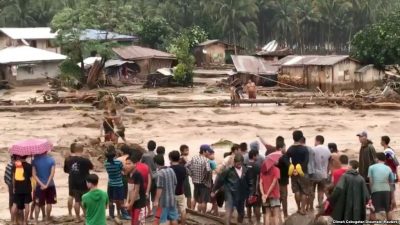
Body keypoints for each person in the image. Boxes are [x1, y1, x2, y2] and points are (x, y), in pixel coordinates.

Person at [212, 154, 250, 225]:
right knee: (229, 210)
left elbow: (249, 182)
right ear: (234, 162)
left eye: (240, 164)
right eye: (237, 164)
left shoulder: (245, 170)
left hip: (241, 194)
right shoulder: (228, 170)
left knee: (241, 213)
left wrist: (250, 193)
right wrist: (214, 190)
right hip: (229, 193)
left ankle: (239, 223)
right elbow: (219, 180)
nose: (239, 166)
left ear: (242, 162)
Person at [64, 142, 94, 223]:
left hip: (73, 182)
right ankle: (86, 216)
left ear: (73, 150)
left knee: (77, 200)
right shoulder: (85, 160)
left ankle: (77, 218)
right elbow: (92, 167)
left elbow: (66, 170)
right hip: (84, 182)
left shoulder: (68, 159)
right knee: (85, 200)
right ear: (82, 150)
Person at [104, 145, 130, 220]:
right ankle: (124, 214)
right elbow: (124, 170)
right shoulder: (118, 162)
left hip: (110, 184)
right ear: (114, 154)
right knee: (121, 200)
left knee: (111, 200)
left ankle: (111, 215)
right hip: (119, 183)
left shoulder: (106, 163)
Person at [286, 130, 309, 215]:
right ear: (301, 138)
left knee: (296, 191)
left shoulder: (290, 149)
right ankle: (303, 209)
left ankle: (298, 208)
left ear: (293, 138)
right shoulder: (304, 149)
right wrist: (301, 168)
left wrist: (291, 166)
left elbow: (285, 158)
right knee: (304, 191)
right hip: (303, 172)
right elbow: (306, 161)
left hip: (293, 172)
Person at [368, 152, 394, 221]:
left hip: (376, 190)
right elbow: (391, 182)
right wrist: (392, 196)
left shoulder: (371, 167)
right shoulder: (388, 168)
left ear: (376, 159)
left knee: (373, 210)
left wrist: (371, 192)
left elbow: (371, 182)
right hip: (387, 190)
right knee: (388, 209)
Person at [32, 151, 57, 225]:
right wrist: (46, 184)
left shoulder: (34, 161)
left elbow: (34, 175)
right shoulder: (51, 160)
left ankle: (36, 220)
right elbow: (52, 174)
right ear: (46, 151)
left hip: (39, 186)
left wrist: (42, 184)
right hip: (50, 185)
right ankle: (47, 219)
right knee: (49, 202)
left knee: (37, 204)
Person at [186, 145, 212, 214]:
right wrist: (206, 179)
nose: (209, 152)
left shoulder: (194, 158)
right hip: (204, 183)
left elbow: (186, 166)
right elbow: (209, 171)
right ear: (203, 151)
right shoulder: (206, 160)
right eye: (208, 151)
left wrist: (191, 174)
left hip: (195, 182)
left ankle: (192, 212)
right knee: (204, 201)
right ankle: (203, 215)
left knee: (195, 198)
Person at [153, 155, 178, 225]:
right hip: (172, 199)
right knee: (173, 218)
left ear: (155, 163)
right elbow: (175, 183)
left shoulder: (159, 173)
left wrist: (156, 200)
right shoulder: (171, 170)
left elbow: (159, 188)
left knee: (163, 220)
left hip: (163, 201)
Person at [309, 135, 331, 209]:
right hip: (323, 174)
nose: (314, 142)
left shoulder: (313, 149)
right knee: (321, 191)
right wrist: (327, 172)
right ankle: (321, 205)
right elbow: (329, 162)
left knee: (312, 191)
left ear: (318, 141)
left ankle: (311, 207)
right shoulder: (328, 150)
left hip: (314, 174)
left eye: (315, 141)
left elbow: (310, 162)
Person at [260, 153, 282, 225]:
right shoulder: (276, 170)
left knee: (267, 214)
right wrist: (267, 194)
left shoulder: (263, 171)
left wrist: (264, 194)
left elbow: (260, 183)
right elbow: (273, 183)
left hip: (265, 196)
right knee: (276, 215)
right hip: (274, 195)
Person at [125, 155, 147, 225]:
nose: (127, 165)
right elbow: (129, 189)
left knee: (138, 222)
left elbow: (136, 190)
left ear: (134, 164)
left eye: (129, 163)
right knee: (133, 222)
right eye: (126, 163)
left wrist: (130, 204)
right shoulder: (128, 174)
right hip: (133, 201)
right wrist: (127, 202)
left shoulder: (137, 174)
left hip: (139, 202)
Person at [11, 155, 32, 225]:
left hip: (17, 188)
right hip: (27, 188)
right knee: (27, 205)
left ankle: (13, 221)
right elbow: (31, 177)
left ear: (19, 157)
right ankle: (25, 221)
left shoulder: (15, 165)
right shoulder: (29, 166)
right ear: (26, 157)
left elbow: (13, 179)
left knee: (14, 204)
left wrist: (14, 188)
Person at [169, 151, 188, 225]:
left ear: (170, 158)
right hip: (180, 192)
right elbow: (184, 178)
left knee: (173, 212)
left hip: (172, 193)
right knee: (183, 210)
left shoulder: (169, 169)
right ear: (179, 158)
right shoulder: (183, 168)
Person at [245, 150, 261, 225]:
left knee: (248, 205)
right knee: (257, 205)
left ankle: (249, 220)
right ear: (254, 156)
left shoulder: (245, 165)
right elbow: (258, 178)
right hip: (255, 189)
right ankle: (258, 221)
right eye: (257, 155)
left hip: (247, 189)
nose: (257, 157)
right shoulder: (257, 166)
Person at [142, 140, 157, 211]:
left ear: (147, 147)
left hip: (146, 176)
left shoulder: (144, 155)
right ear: (155, 147)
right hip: (155, 176)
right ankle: (154, 210)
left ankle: (149, 210)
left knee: (146, 194)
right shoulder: (156, 155)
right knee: (154, 195)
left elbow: (141, 164)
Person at [276, 140, 289, 219]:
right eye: (284, 147)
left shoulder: (273, 156)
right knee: (284, 198)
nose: (285, 148)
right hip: (283, 180)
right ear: (281, 148)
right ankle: (285, 214)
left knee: (277, 198)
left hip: (276, 180)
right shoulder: (283, 156)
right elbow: (288, 166)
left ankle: (277, 214)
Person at [179, 145, 192, 209]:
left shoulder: (179, 158)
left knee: (181, 195)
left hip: (180, 179)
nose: (187, 151)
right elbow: (189, 165)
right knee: (189, 195)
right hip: (185, 179)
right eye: (186, 150)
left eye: (188, 150)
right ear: (181, 151)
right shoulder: (184, 158)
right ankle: (189, 209)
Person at [4, 155, 15, 222]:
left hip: (9, 184)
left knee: (11, 200)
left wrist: (8, 183)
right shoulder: (14, 165)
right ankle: (14, 218)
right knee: (15, 201)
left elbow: (5, 177)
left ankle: (12, 217)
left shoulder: (8, 164)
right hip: (13, 185)